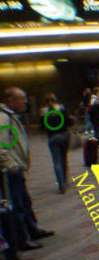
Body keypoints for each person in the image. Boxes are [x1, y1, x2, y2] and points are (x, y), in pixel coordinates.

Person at [0, 87, 54, 251]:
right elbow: (1, 146)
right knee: (16, 204)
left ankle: (32, 229)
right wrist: (10, 165)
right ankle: (22, 239)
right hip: (10, 170)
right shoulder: (3, 118)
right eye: (21, 99)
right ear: (11, 101)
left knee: (24, 201)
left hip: (17, 167)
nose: (25, 102)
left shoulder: (11, 116)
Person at [40, 93, 72, 194]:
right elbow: (68, 122)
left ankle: (61, 184)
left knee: (56, 161)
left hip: (52, 137)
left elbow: (42, 127)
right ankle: (65, 180)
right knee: (64, 159)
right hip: (63, 136)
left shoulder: (44, 112)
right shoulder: (61, 109)